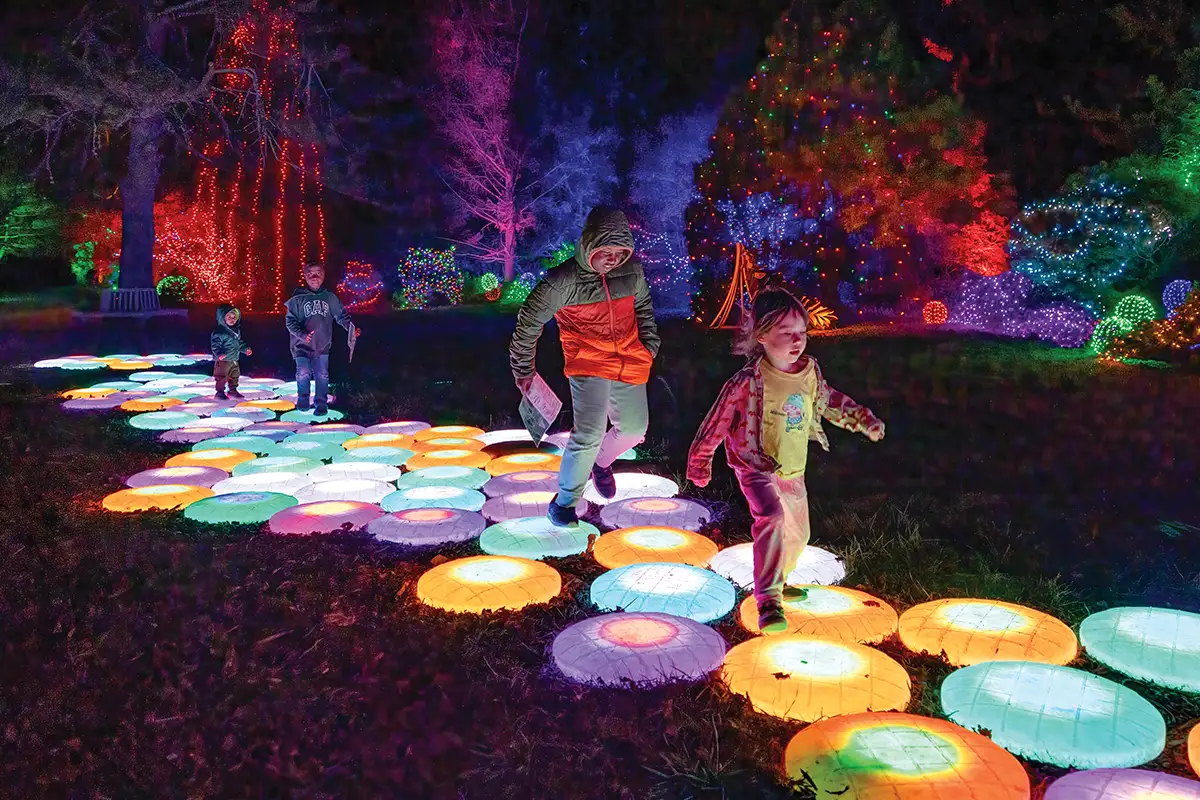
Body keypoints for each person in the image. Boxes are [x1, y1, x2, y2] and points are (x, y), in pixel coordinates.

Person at [686, 287, 884, 633]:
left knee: (799, 534)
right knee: (772, 517)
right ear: (761, 335)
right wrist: (700, 462)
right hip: (755, 465)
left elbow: (828, 401)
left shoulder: (809, 373)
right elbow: (717, 421)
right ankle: (767, 600)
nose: (797, 340)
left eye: (802, 332)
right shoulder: (747, 382)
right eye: (786, 332)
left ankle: (779, 578)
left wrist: (862, 419)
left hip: (793, 469)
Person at [510, 207, 660, 527]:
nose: (613, 260)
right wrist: (523, 369)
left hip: (630, 360)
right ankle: (565, 503)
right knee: (589, 432)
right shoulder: (562, 282)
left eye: (620, 253)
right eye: (606, 251)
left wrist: (649, 345)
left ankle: (601, 463)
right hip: (587, 362)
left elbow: (644, 307)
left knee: (634, 429)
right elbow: (528, 322)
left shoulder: (632, 272)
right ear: (590, 244)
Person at [284, 263, 359, 415]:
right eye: (310, 274)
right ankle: (303, 399)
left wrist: (351, 328)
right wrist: (302, 334)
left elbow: (341, 316)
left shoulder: (329, 298)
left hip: (322, 345)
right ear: (305, 276)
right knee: (303, 373)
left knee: (322, 375)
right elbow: (290, 322)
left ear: (323, 275)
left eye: (318, 273)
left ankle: (321, 404)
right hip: (301, 346)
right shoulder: (297, 299)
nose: (315, 277)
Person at [210, 304, 251, 400]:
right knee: (221, 376)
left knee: (235, 375)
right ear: (222, 318)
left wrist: (245, 349)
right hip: (223, 360)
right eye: (229, 317)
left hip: (234, 358)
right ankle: (220, 392)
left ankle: (233, 390)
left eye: (234, 317)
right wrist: (219, 354)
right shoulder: (219, 332)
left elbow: (238, 343)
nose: (232, 319)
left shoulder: (236, 331)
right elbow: (215, 345)